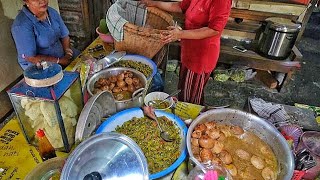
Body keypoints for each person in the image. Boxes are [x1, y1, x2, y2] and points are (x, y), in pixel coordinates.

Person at [141, 0, 231, 105]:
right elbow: (181, 6)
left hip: (201, 56)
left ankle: (190, 119)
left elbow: (213, 29)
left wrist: (180, 34)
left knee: (191, 98)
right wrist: (156, 3)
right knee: (185, 89)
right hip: (189, 51)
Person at [11, 0, 79, 70]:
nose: (43, 1)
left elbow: (64, 36)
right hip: (41, 67)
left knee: (86, 64)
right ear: (26, 1)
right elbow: (30, 58)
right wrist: (60, 61)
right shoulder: (21, 26)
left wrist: (68, 54)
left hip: (63, 57)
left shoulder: (51, 12)